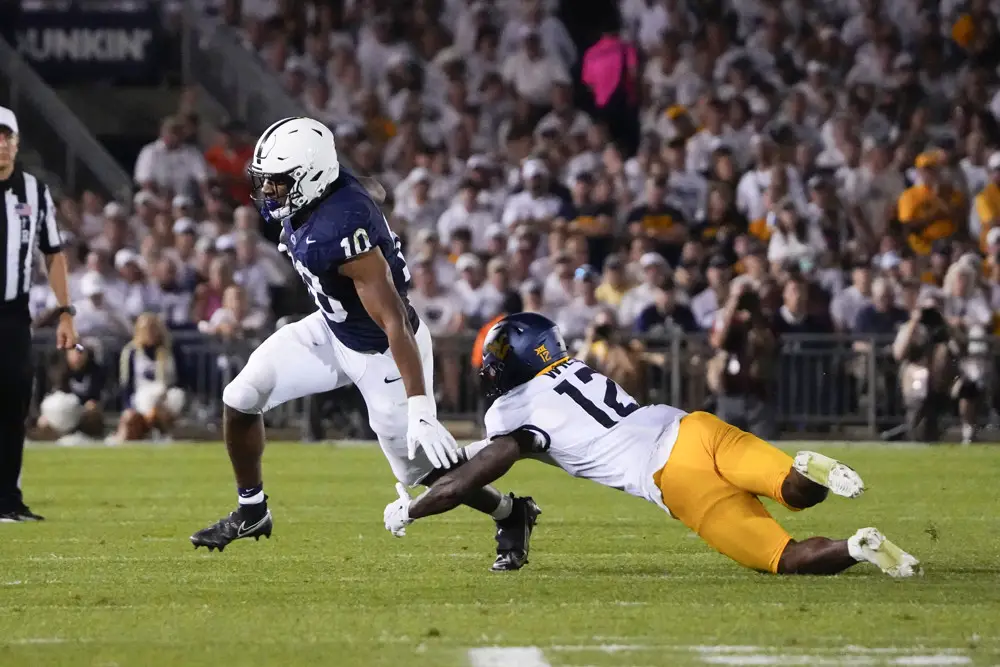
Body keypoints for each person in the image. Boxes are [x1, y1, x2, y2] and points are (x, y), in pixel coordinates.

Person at [191, 117, 540, 572]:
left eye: (278, 183)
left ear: (310, 176)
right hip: (333, 329)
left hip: (384, 352)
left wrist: (419, 407)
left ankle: (512, 513)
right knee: (239, 398)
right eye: (268, 182)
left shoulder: (341, 228)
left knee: (424, 473)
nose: (269, 193)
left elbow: (393, 319)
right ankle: (253, 511)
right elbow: (368, 191)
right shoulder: (322, 196)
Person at [382, 313, 921, 579]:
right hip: (696, 427)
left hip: (674, 477)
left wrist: (412, 507)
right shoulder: (571, 368)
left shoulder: (513, 410)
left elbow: (471, 477)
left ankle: (856, 547)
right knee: (797, 492)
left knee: (781, 557)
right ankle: (808, 466)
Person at [0, 106, 78, 522]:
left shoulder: (33, 191)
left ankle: (8, 499)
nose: (0, 145)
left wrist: (65, 312)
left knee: (14, 405)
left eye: (5, 136)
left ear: (15, 141)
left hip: (13, 314)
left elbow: (53, 254)